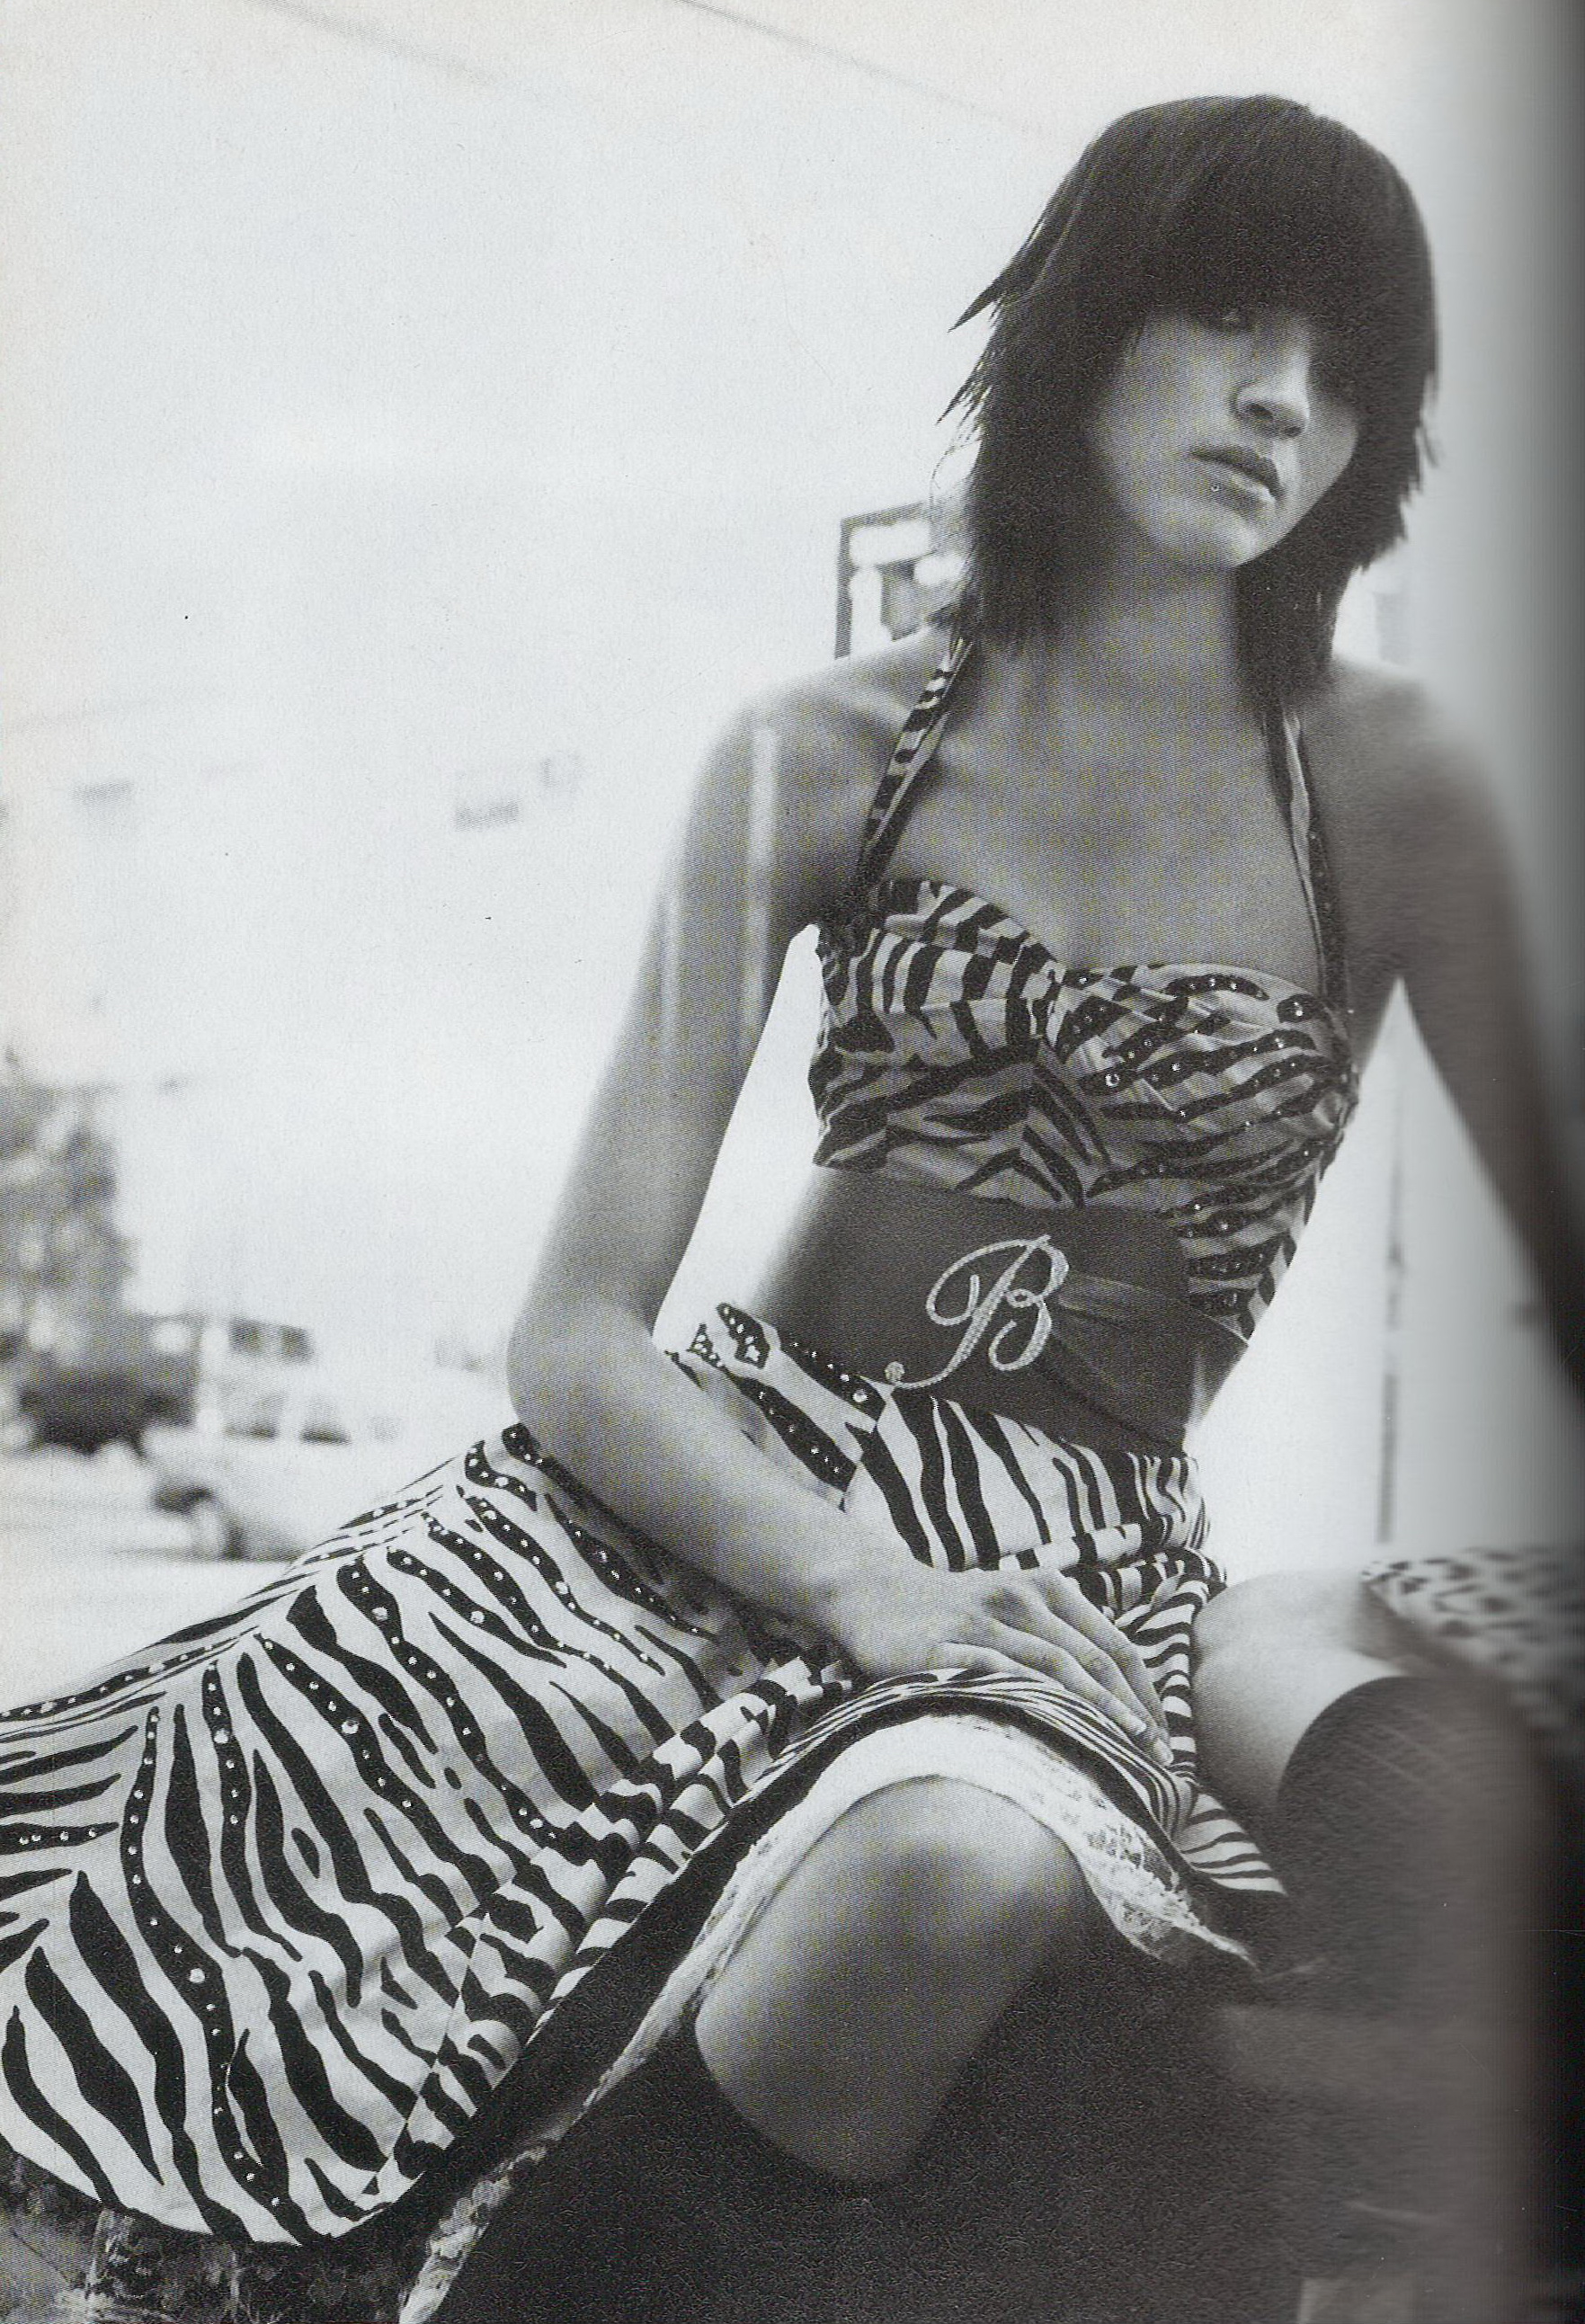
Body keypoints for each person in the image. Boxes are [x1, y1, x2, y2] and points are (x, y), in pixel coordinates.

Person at [0, 93, 1575, 2324]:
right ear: (1085, 327)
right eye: (1233, 317)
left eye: (1345, 370)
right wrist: (857, 1582)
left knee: (948, 1873)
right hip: (681, 1509)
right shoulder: (817, 751)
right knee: (211, 1899)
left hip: (1061, 1558)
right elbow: (575, 1335)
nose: (1281, 402)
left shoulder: (1395, 782)